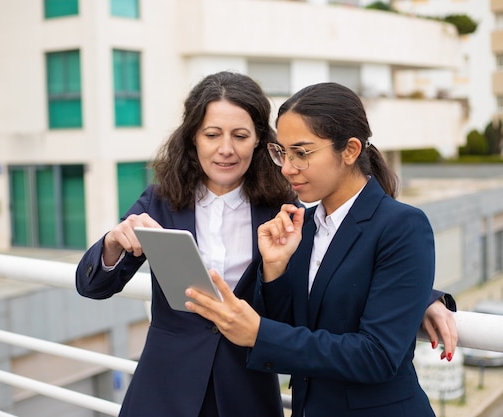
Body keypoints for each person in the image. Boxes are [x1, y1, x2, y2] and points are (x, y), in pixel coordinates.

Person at [76, 72, 456, 417]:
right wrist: (112, 243)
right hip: (164, 390)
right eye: (211, 134)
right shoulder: (160, 202)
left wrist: (422, 297)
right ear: (192, 138)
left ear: (259, 140)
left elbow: (350, 250)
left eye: (240, 136)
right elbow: (93, 285)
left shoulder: (288, 206)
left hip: (246, 391)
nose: (226, 149)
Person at [186, 82, 452, 416]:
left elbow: (378, 355)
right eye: (282, 152)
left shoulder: (402, 225)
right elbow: (290, 329)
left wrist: (259, 333)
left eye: (302, 153)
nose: (287, 168)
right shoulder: (303, 226)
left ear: (350, 150)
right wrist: (274, 268)